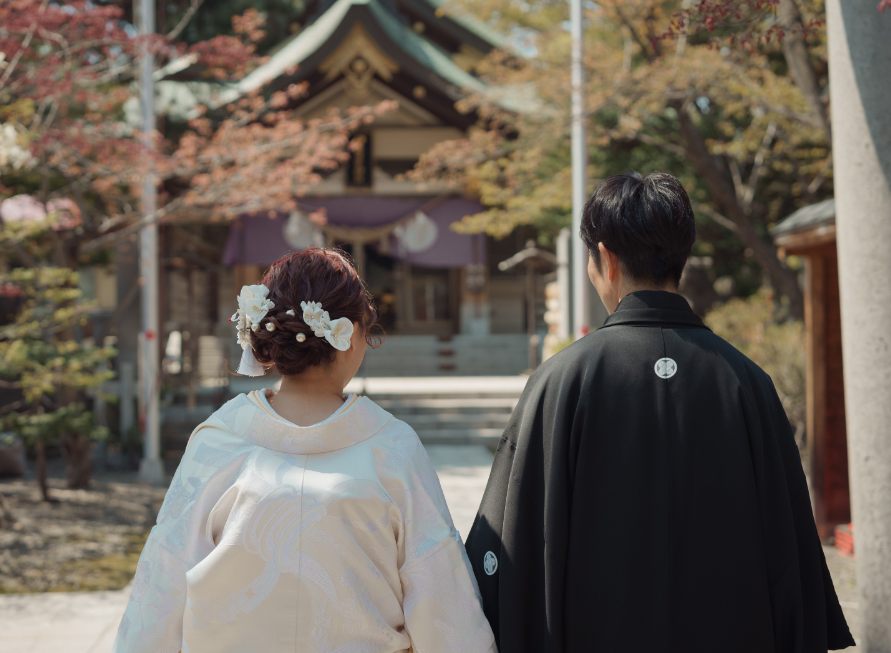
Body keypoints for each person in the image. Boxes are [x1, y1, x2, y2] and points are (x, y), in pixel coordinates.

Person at [465, 172, 854, 652]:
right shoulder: (746, 381)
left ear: (604, 259)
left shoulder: (560, 381)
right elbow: (787, 545)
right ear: (681, 259)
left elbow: (512, 544)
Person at [115, 247, 496, 653]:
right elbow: (440, 594)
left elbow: (163, 583)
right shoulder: (392, 447)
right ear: (351, 336)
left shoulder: (219, 440)